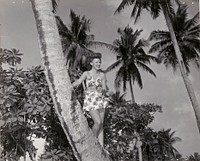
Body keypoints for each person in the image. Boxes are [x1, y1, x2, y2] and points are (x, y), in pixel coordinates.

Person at [72, 53, 108, 140]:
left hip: (100, 100)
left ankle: (101, 147)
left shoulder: (102, 75)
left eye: (99, 62)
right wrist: (69, 86)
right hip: (90, 100)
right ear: (91, 63)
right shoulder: (86, 73)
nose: (98, 64)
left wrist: (103, 90)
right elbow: (78, 82)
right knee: (98, 122)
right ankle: (93, 139)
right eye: (96, 62)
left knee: (101, 125)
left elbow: (104, 87)